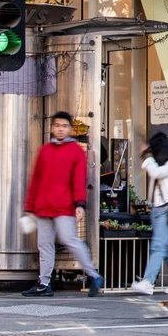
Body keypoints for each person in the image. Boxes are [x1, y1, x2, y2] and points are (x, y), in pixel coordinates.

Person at [21, 111, 104, 297]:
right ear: (52, 128)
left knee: (70, 240)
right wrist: (30, 207)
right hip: (43, 206)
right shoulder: (45, 150)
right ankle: (44, 284)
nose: (60, 129)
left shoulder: (76, 151)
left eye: (64, 126)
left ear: (70, 129)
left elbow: (79, 179)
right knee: (45, 245)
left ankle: (93, 275)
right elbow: (36, 179)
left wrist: (80, 204)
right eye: (57, 125)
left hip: (64, 206)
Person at [131, 132, 168, 295]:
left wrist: (147, 157)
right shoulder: (162, 164)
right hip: (158, 210)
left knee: (158, 245)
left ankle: (148, 282)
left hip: (166, 210)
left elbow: (156, 173)